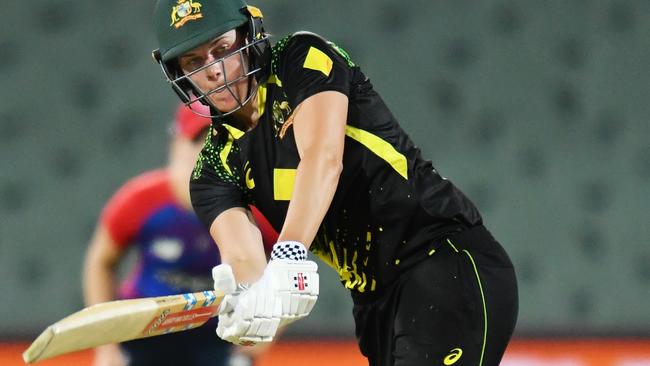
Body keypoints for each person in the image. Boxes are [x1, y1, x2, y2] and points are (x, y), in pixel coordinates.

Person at [151, 1, 519, 365]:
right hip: (375, 306)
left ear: (248, 33)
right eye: (194, 62)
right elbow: (244, 257)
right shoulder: (212, 171)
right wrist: (249, 304)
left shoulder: (299, 58)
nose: (214, 70)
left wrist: (289, 252)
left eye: (223, 48)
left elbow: (324, 158)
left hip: (443, 261)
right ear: (176, 72)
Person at [82, 103, 276, 366]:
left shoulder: (258, 206)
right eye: (200, 140)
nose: (209, 151)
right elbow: (101, 262)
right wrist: (107, 345)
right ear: (177, 144)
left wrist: (260, 338)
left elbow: (284, 271)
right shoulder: (141, 200)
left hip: (216, 334)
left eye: (222, 140)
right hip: (144, 331)